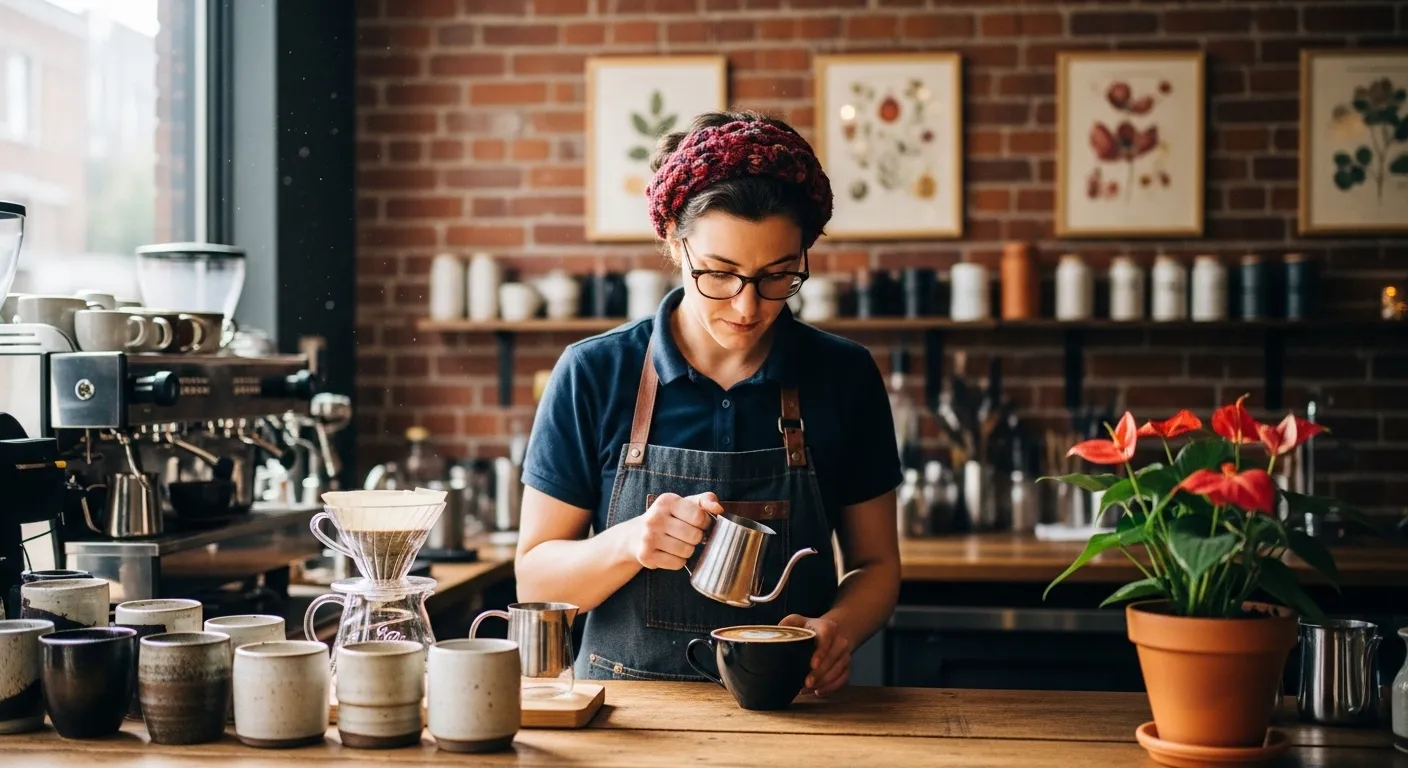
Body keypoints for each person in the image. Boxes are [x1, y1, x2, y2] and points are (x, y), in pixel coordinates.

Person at [515, 111, 901, 696]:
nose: (747, 307)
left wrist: (838, 629)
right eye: (719, 274)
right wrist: (630, 544)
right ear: (675, 241)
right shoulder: (593, 373)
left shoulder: (844, 375)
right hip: (625, 721)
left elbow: (876, 567)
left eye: (777, 276)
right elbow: (535, 580)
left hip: (796, 717)